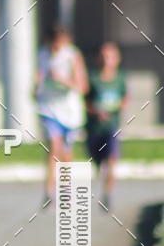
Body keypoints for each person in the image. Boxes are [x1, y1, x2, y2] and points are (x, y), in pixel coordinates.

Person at [36, 24, 89, 205]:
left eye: (59, 45)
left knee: (66, 153)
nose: (55, 49)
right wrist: (36, 87)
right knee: (54, 145)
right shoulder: (42, 54)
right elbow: (38, 77)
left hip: (69, 112)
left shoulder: (72, 56)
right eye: (53, 44)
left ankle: (65, 190)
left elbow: (82, 87)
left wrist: (63, 80)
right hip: (49, 108)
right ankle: (49, 192)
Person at [85, 42, 127, 210]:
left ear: (117, 59)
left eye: (110, 56)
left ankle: (108, 194)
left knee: (112, 159)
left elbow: (125, 98)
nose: (106, 60)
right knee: (98, 160)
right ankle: (99, 169)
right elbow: (85, 102)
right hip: (94, 128)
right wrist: (96, 112)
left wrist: (118, 106)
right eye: (103, 56)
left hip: (112, 127)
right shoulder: (92, 78)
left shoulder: (120, 78)